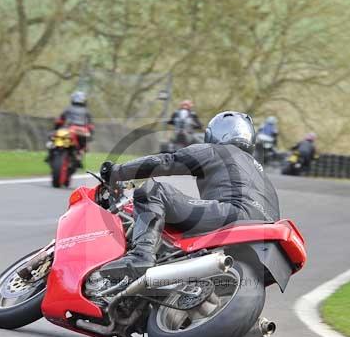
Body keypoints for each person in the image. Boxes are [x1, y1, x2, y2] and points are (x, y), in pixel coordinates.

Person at [100, 111, 280, 279]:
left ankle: (141, 255)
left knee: (154, 192)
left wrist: (117, 172)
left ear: (217, 134)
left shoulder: (217, 151)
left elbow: (168, 162)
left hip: (233, 214)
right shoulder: (263, 175)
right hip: (266, 233)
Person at [55, 90, 94, 155]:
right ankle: (80, 152)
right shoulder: (86, 111)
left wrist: (57, 128)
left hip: (69, 129)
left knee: (56, 140)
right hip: (81, 131)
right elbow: (90, 126)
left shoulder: (68, 109)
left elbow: (59, 121)